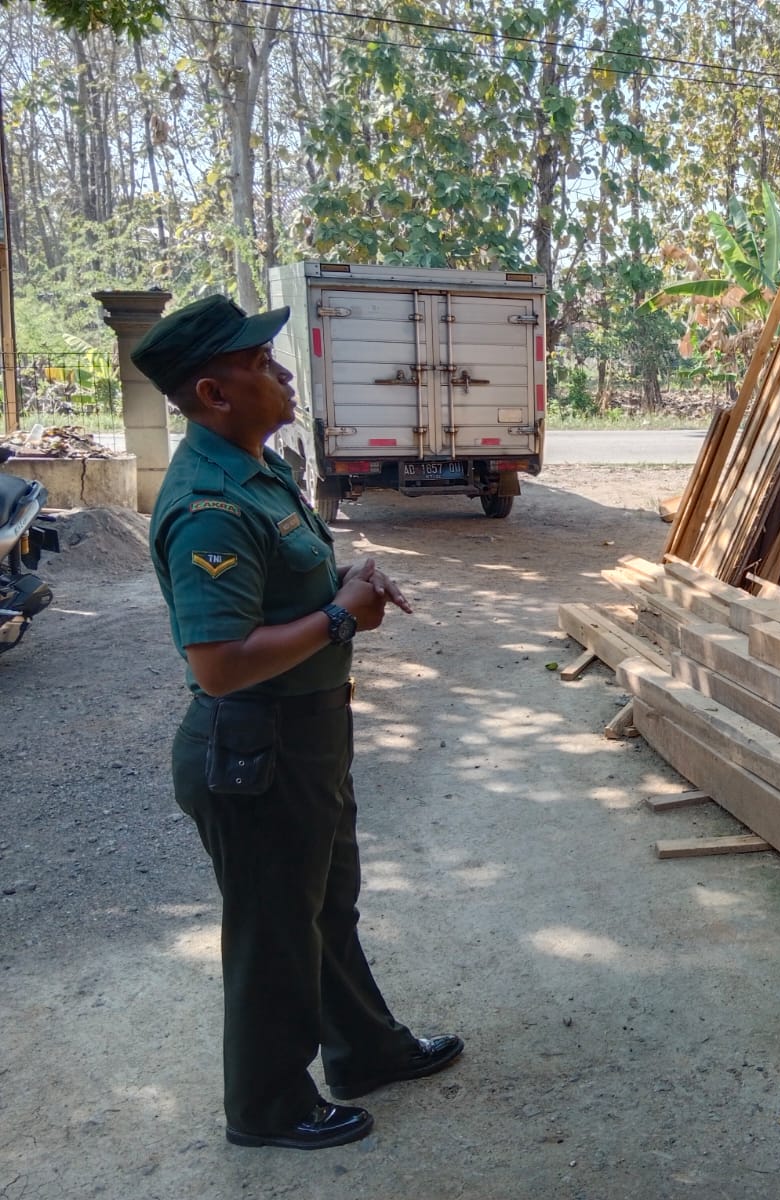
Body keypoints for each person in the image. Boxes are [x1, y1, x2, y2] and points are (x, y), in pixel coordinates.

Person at [136, 295, 463, 1150]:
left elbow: (292, 575)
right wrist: (343, 619)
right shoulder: (211, 502)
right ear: (214, 392)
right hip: (258, 745)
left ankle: (365, 1049)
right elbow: (218, 660)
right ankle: (268, 1106)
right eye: (260, 364)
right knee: (274, 929)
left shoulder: (261, 466)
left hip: (306, 736)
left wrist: (346, 576)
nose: (282, 373)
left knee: (325, 906)